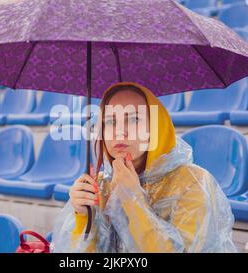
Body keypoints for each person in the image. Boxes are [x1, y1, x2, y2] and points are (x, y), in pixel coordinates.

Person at [52, 82, 237, 253]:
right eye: (110, 121)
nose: (119, 131)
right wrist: (84, 216)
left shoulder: (193, 183)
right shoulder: (99, 185)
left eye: (133, 120)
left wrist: (132, 198)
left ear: (155, 128)